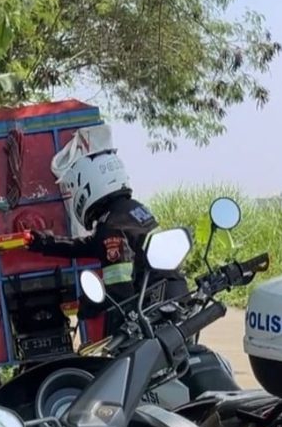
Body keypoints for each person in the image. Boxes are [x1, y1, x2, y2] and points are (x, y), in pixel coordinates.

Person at [27, 124, 188, 336]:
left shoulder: (111, 226)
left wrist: (87, 306)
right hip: (172, 292)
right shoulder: (131, 210)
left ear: (87, 186)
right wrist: (45, 243)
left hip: (151, 305)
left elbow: (119, 290)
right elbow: (88, 246)